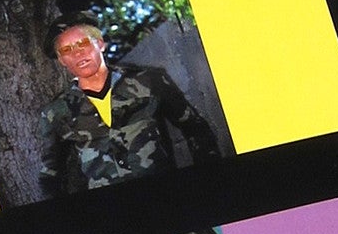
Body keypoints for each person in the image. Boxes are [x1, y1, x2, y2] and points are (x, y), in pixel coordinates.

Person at [39, 21, 223, 197]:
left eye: (83, 43)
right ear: (62, 60)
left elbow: (195, 128)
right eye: (67, 50)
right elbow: (49, 176)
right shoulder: (56, 112)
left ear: (100, 44)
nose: (77, 52)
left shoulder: (148, 81)